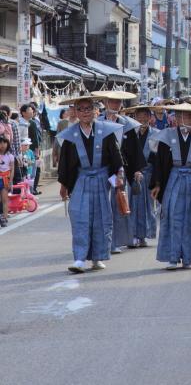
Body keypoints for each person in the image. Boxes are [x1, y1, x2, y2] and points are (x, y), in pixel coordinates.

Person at [57, 95, 124, 273]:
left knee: (101, 219)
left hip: (102, 179)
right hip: (81, 180)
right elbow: (65, 163)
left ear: (96, 110)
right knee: (79, 218)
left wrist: (119, 176)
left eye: (89, 109)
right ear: (76, 112)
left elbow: (116, 157)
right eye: (81, 109)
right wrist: (64, 185)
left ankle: (97, 257)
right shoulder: (70, 135)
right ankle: (79, 258)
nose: (85, 112)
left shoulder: (106, 131)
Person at [151, 102, 191, 270]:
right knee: (173, 218)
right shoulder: (166, 137)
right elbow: (160, 163)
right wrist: (157, 184)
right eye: (187, 116)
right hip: (174, 179)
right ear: (177, 118)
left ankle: (188, 257)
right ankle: (172, 257)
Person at [92, 90, 145, 252]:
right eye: (112, 101)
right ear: (105, 103)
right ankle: (104, 241)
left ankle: (115, 241)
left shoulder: (128, 124)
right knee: (104, 204)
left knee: (119, 203)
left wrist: (137, 170)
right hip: (103, 169)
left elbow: (135, 149)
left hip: (121, 170)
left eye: (118, 102)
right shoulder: (97, 122)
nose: (115, 104)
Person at [126, 105, 159, 248]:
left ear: (150, 118)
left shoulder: (157, 134)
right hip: (133, 175)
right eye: (139, 117)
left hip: (149, 174)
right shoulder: (130, 134)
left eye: (145, 116)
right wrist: (134, 170)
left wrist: (157, 180)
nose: (142, 119)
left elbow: (157, 158)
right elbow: (127, 155)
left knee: (148, 207)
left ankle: (144, 235)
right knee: (132, 206)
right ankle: (132, 235)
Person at [0, 134, 14, 227]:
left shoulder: (10, 156)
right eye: (0, 143)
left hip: (5, 179)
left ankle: (4, 218)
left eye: (4, 142)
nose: (2, 145)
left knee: (5, 199)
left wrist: (10, 181)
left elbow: (12, 169)